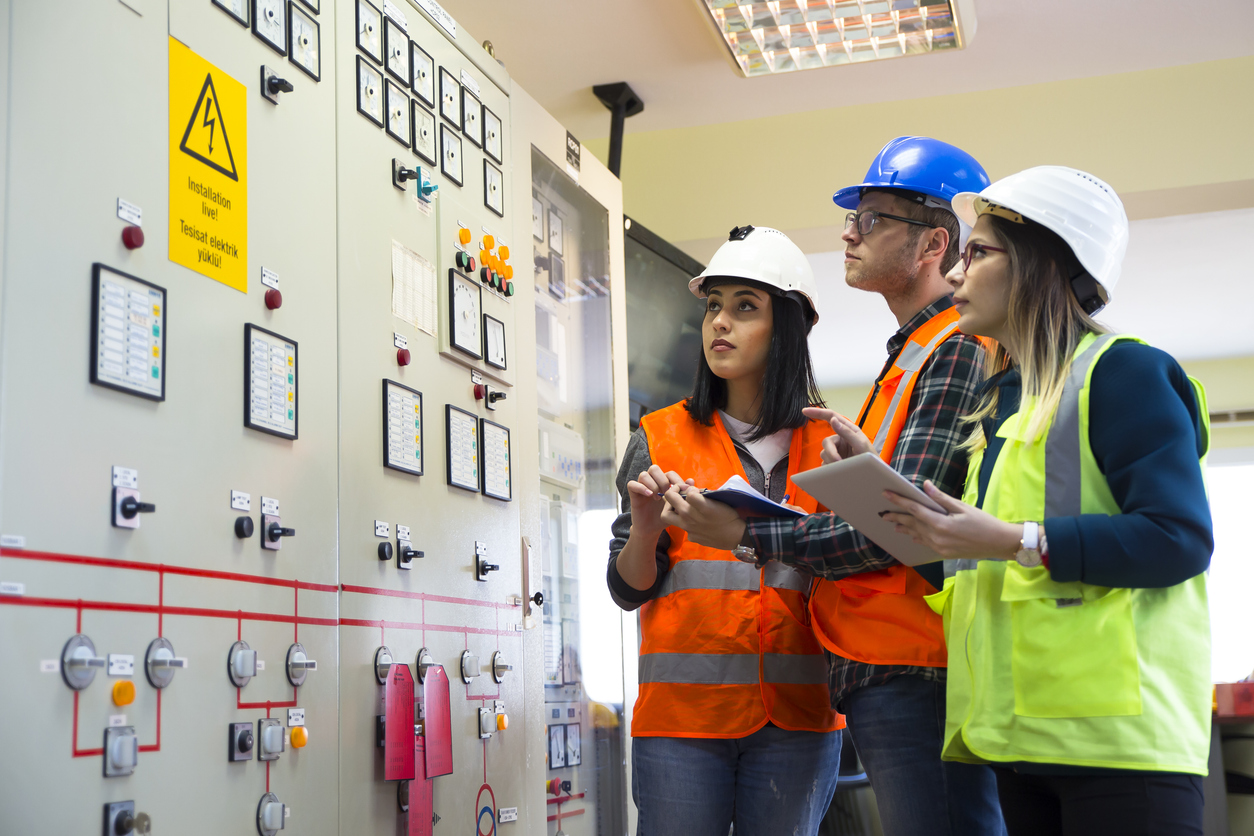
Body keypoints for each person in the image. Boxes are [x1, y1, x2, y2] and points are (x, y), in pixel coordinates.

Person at [657, 137, 1006, 836]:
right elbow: (898, 509)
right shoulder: (911, 355)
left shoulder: (954, 348)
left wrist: (746, 531)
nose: (849, 233)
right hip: (879, 665)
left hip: (914, 661)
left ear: (934, 244)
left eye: (872, 219)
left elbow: (898, 529)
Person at [882, 166, 1214, 836]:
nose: (955, 272)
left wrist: (1016, 539)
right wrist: (888, 501)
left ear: (1042, 263)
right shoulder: (1003, 404)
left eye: (977, 253)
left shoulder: (1124, 371)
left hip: (1119, 747)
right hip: (1019, 740)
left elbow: (1178, 539)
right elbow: (971, 565)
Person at [606, 225, 843, 836]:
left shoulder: (834, 447)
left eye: (744, 307)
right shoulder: (658, 437)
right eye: (714, 305)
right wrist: (644, 532)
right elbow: (628, 589)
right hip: (681, 725)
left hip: (799, 722)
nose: (720, 322)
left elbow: (854, 567)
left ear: (787, 327)